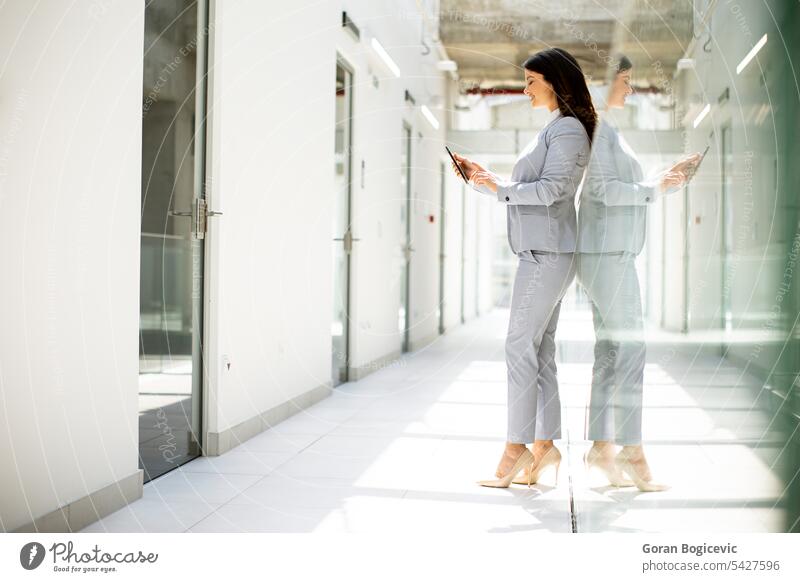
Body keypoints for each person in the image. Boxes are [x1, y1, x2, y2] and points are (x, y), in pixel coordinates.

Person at [451, 47, 595, 487]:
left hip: (547, 254)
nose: (525, 88)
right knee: (539, 351)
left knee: (518, 346)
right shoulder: (557, 127)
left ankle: (516, 448)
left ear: (554, 81)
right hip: (543, 251)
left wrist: (498, 187)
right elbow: (531, 187)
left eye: (532, 81)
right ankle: (544, 447)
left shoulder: (568, 130)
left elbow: (552, 190)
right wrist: (487, 182)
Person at [576, 56, 701, 491]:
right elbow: (604, 192)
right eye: (625, 82)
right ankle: (632, 452)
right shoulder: (598, 130)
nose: (629, 90)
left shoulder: (603, 129)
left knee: (610, 353)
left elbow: (612, 189)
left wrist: (658, 179)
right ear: (603, 82)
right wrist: (655, 187)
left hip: (604, 254)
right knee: (632, 350)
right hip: (609, 256)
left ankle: (602, 447)